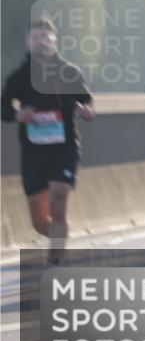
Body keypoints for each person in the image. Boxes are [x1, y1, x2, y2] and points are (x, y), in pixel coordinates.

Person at [1, 17, 94, 265]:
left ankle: (55, 258)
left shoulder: (69, 72)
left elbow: (86, 100)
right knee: (38, 219)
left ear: (55, 42)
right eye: (36, 38)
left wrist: (86, 110)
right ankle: (58, 235)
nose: (42, 42)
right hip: (33, 152)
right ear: (28, 41)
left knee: (59, 195)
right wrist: (17, 115)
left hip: (64, 146)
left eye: (47, 38)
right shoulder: (18, 77)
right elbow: (3, 108)